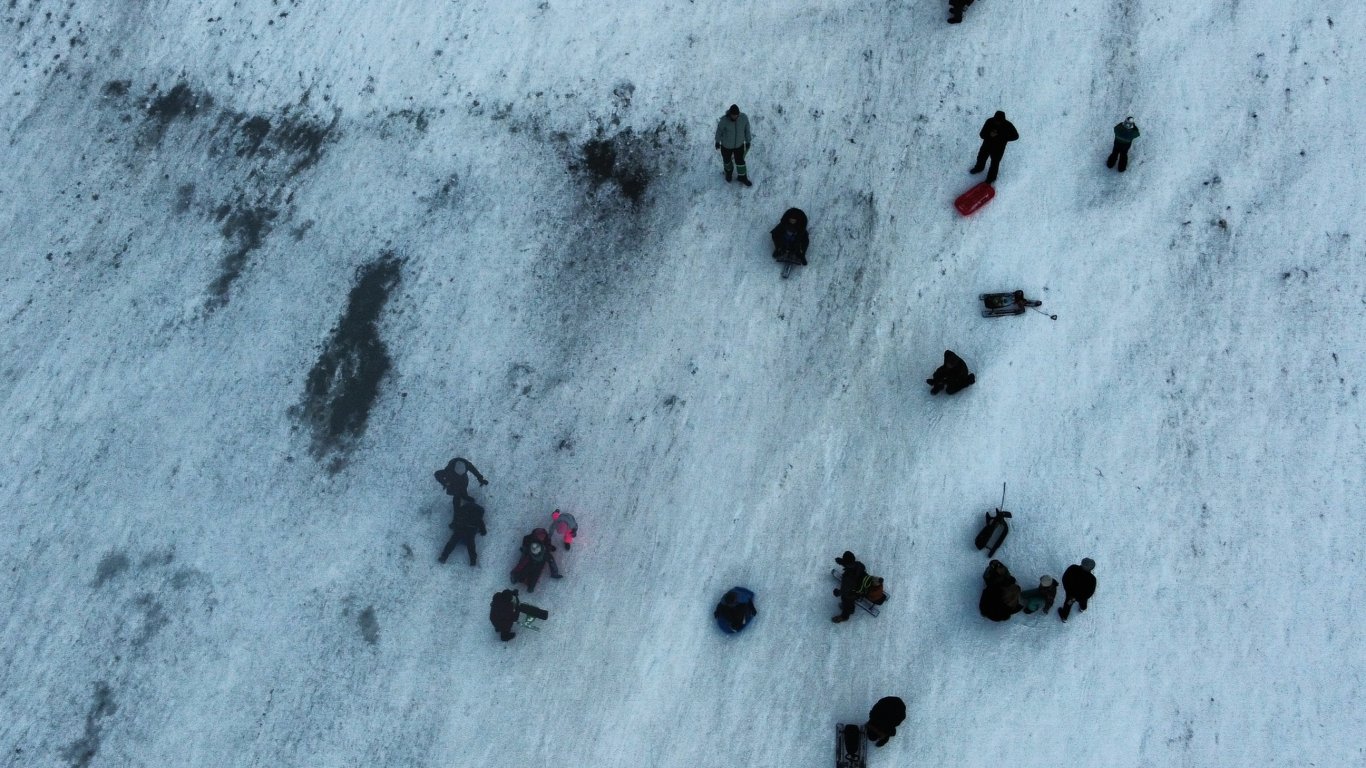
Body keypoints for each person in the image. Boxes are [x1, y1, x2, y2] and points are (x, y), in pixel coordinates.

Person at [969, 111, 1019, 185]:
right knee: (981, 157)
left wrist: (1002, 137)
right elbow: (982, 134)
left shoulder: (1008, 125)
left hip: (999, 148)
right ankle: (979, 168)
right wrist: (989, 134)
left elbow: (1016, 136)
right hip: (987, 144)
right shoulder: (989, 121)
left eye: (999, 121)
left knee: (995, 163)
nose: (997, 123)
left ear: (1003, 120)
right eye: (996, 120)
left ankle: (991, 178)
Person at [509, 528, 562, 593]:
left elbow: (551, 561)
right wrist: (524, 549)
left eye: (543, 536)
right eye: (540, 536)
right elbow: (522, 558)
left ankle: (530, 586)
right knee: (525, 566)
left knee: (536, 573)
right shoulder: (529, 539)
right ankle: (516, 577)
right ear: (536, 535)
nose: (542, 537)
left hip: (541, 559)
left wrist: (554, 573)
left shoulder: (546, 542)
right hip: (530, 556)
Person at [438, 497, 487, 565]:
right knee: (471, 545)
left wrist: (453, 525)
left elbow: (457, 517)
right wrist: (483, 531)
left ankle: (443, 557)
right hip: (471, 529)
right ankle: (473, 561)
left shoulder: (464, 508)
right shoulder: (478, 510)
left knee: (452, 543)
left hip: (461, 528)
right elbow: (480, 522)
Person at [715, 104, 753, 186]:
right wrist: (717, 141)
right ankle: (728, 173)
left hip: (739, 145)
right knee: (727, 161)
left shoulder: (743, 118)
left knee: (740, 161)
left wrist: (748, 141)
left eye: (736, 115)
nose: (735, 117)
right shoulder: (724, 120)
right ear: (730, 114)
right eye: (733, 115)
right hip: (726, 146)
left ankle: (742, 177)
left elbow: (747, 130)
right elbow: (719, 131)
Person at [833, 551, 872, 623]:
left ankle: (845, 616)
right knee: (848, 595)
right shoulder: (859, 564)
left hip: (857, 592)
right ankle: (850, 608)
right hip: (860, 584)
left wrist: (838, 592)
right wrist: (842, 562)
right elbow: (852, 565)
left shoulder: (848, 578)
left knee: (846, 598)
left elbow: (844, 590)